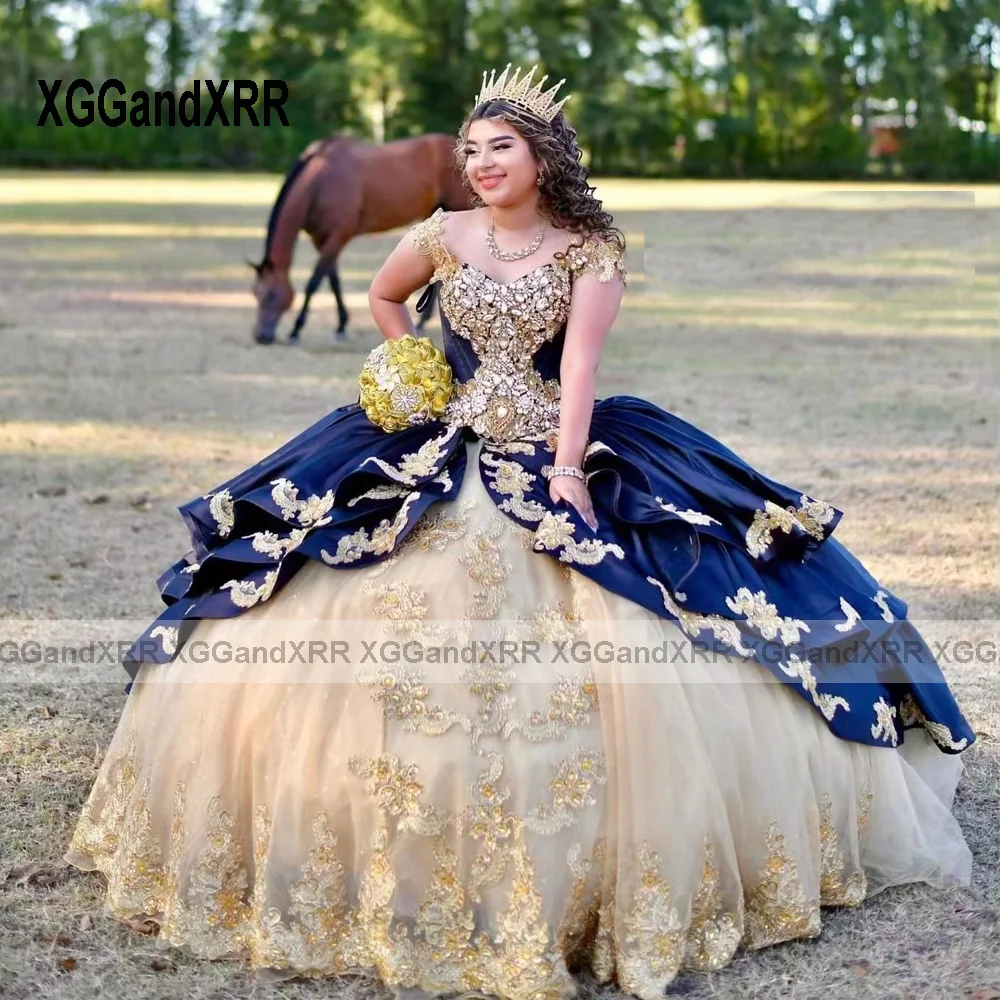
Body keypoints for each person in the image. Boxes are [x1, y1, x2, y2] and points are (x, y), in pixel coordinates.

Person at [65, 64, 975, 1000]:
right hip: (445, 435)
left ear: (543, 159)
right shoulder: (443, 232)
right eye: (471, 148)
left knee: (667, 591)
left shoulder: (589, 248)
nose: (482, 161)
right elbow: (385, 297)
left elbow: (579, 369)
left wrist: (571, 470)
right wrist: (408, 366)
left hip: (550, 435)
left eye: (501, 146)